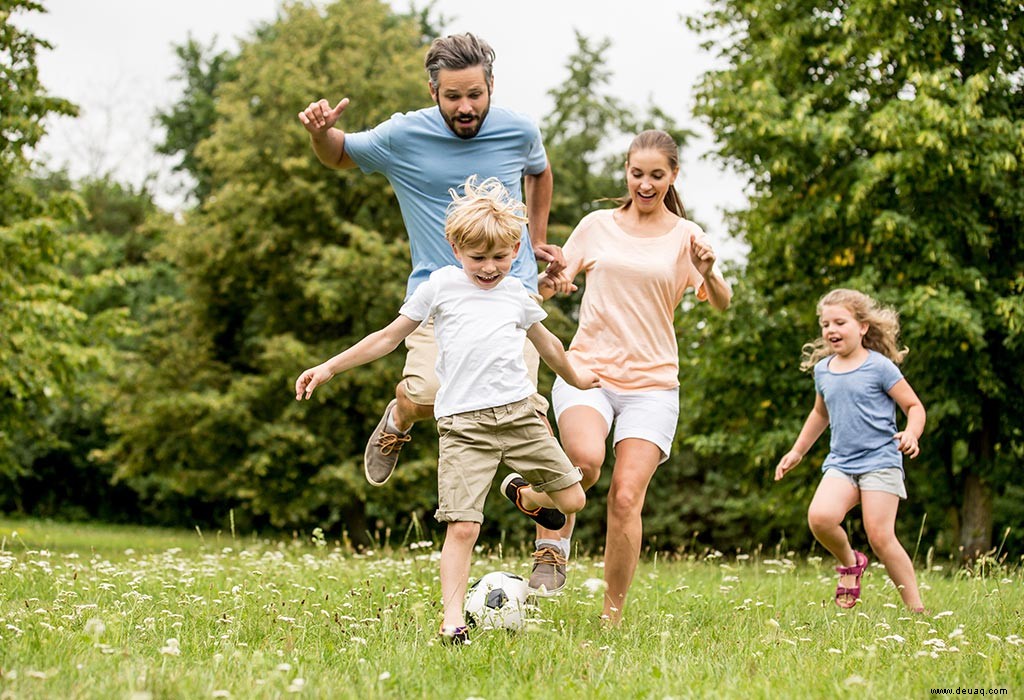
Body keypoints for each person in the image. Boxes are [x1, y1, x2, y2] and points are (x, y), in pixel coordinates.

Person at [294, 177, 597, 643]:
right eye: (478, 258)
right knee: (462, 527)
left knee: (573, 499)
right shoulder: (441, 287)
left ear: (516, 249)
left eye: (500, 257)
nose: (490, 268)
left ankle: (524, 495)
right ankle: (452, 619)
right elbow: (387, 338)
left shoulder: (517, 294)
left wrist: (579, 378)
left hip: (519, 418)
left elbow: (551, 346)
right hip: (464, 428)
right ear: (455, 247)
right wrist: (330, 367)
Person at [298, 33, 563, 488]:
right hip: (438, 298)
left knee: (530, 414)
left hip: (511, 292)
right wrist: (321, 133)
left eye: (475, 95)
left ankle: (550, 551)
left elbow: (538, 169)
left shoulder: (519, 130)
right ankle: (400, 414)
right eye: (453, 95)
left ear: (491, 86)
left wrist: (535, 238)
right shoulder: (403, 136)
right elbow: (338, 153)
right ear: (433, 91)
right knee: (428, 396)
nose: (465, 107)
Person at [535, 130, 732, 622]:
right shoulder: (597, 225)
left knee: (625, 497)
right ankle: (551, 539)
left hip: (654, 386)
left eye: (656, 175)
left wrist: (707, 272)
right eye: (636, 173)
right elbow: (556, 282)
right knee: (584, 458)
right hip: (589, 371)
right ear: (626, 170)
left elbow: (723, 300)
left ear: (673, 176)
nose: (645, 184)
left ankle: (612, 616)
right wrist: (552, 282)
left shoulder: (687, 237)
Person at [774, 288, 926, 612]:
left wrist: (912, 433)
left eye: (840, 322)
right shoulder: (823, 371)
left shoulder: (880, 367)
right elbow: (820, 414)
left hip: (881, 460)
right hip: (842, 462)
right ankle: (849, 561)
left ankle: (917, 610)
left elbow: (914, 405)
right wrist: (797, 451)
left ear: (863, 327)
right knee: (820, 517)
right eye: (825, 324)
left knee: (880, 537)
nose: (831, 330)